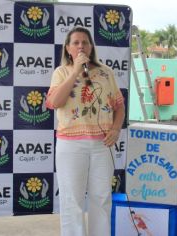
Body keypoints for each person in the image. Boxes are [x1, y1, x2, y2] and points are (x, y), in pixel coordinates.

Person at [46, 26, 125, 236]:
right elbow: (54, 102)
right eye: (76, 42)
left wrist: (116, 128)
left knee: (101, 198)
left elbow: (119, 105)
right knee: (72, 200)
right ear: (68, 48)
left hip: (102, 145)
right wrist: (74, 71)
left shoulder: (105, 72)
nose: (81, 46)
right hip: (71, 146)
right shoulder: (61, 72)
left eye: (85, 42)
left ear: (91, 46)